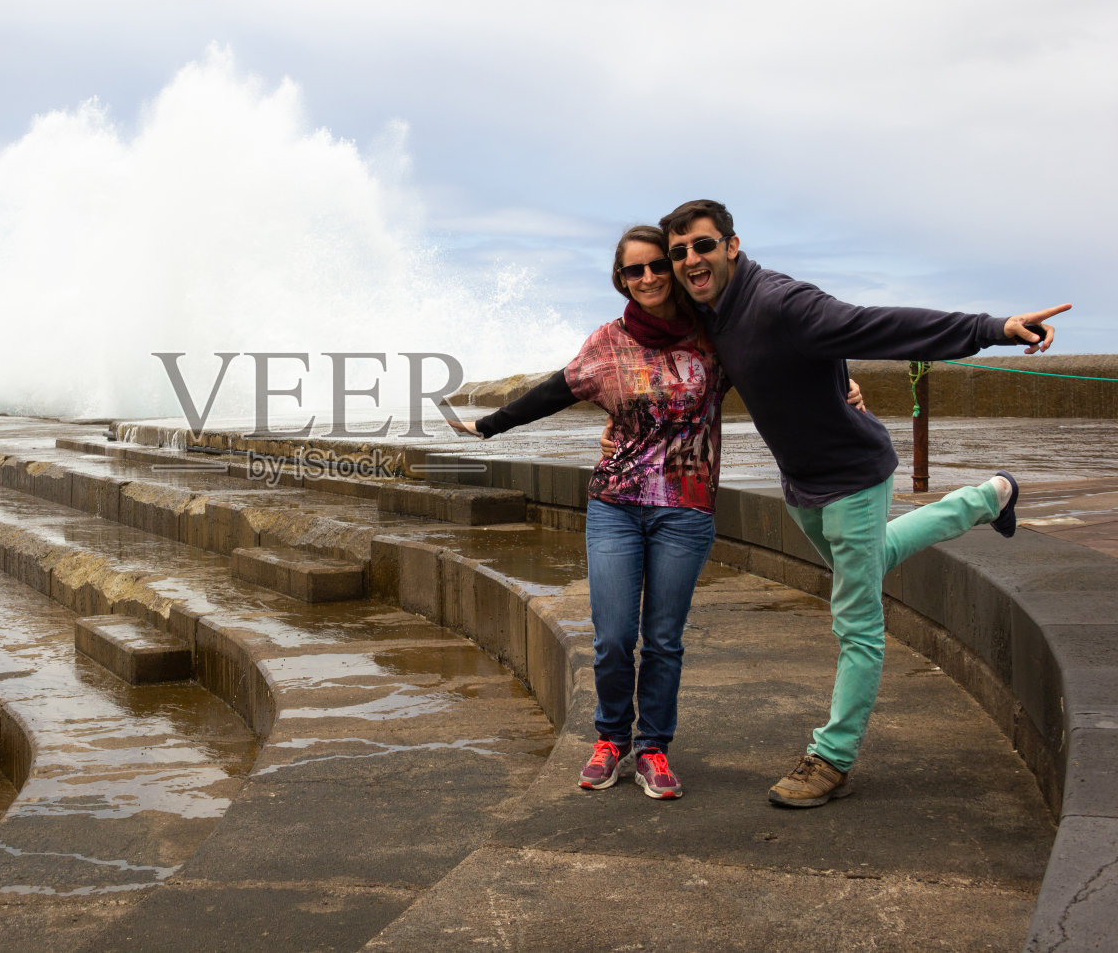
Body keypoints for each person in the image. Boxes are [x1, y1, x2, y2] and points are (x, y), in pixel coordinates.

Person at [657, 198, 1070, 807]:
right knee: (876, 558)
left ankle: (832, 757)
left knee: (857, 622)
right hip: (802, 482)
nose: (691, 259)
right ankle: (990, 496)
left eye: (702, 245)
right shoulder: (709, 311)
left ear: (732, 245)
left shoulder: (780, 301)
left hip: (852, 477)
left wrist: (992, 328)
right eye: (679, 252)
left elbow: (877, 325)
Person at [450, 225, 858, 800]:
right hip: (615, 505)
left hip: (685, 510)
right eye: (633, 270)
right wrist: (489, 425)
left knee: (663, 639)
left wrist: (843, 386)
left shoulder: (713, 334)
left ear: (673, 268)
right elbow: (554, 391)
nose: (647, 278)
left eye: (656, 265)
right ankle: (611, 739)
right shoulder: (606, 343)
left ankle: (653, 749)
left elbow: (780, 358)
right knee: (614, 637)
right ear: (621, 279)